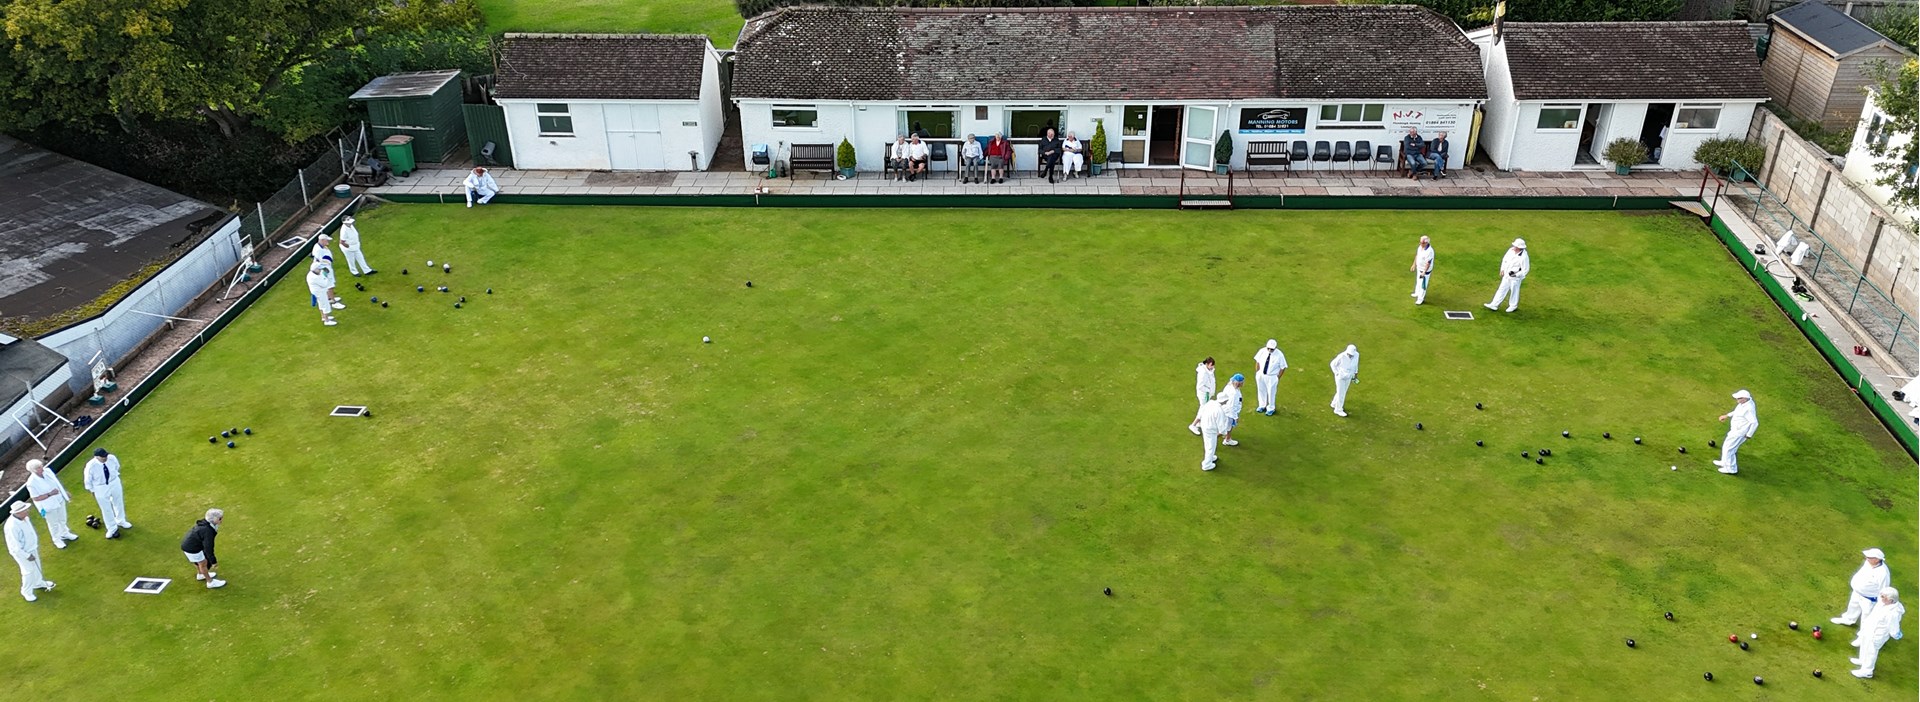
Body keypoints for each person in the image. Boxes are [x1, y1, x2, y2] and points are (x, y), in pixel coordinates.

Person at [23, 460, 78, 549]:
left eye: (41, 466)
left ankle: (65, 533)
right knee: (53, 524)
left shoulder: (47, 471)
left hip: (59, 500)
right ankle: (56, 540)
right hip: (48, 506)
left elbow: (57, 483)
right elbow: (35, 498)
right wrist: (50, 494)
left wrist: (64, 492)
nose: (42, 468)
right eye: (39, 468)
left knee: (62, 518)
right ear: (33, 470)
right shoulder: (31, 483)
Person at [1851, 587, 1905, 678]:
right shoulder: (1883, 602)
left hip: (1877, 634)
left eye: (1883, 596)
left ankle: (1867, 671)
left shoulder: (1893, 613)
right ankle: (1862, 660)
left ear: (1891, 600)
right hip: (1870, 628)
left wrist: (1896, 635)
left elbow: (1893, 628)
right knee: (1864, 644)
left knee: (1871, 651)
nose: (1880, 597)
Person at [5, 502, 51, 602]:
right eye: (25, 510)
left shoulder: (25, 518)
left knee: (37, 565)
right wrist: (26, 555)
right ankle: (26, 591)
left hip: (32, 548)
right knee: (28, 571)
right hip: (22, 553)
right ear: (18, 512)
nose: (28, 511)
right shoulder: (11, 526)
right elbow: (14, 546)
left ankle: (38, 583)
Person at [1834, 548, 1893, 626]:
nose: (1866, 558)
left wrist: (1881, 601)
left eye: (1869, 557)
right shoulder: (1868, 562)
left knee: (1867, 615)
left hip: (1869, 598)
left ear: (1877, 559)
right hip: (1857, 592)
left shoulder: (1883, 573)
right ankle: (1848, 620)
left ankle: (1864, 632)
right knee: (1853, 607)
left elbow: (1884, 588)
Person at [81, 448, 130, 539]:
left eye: (105, 455)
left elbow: (117, 466)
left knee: (118, 502)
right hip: (100, 487)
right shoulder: (90, 466)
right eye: (102, 457)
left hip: (114, 482)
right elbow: (88, 480)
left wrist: (114, 477)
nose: (105, 457)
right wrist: (92, 490)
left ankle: (121, 520)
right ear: (96, 457)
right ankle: (111, 528)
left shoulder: (111, 458)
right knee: (106, 508)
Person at [1712, 389, 1758, 474]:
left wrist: (1749, 434)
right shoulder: (1743, 404)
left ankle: (1731, 469)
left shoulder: (1749, 408)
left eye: (1739, 398)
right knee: (1727, 446)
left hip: (1739, 432)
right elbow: (1737, 412)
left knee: (1729, 449)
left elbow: (1754, 423)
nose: (1737, 400)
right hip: (1735, 430)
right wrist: (1727, 415)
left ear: (1744, 398)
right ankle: (1724, 462)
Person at [181, 508, 226, 589]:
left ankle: (200, 574)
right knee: (203, 564)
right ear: (214, 519)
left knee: (201, 562)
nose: (222, 520)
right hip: (192, 548)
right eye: (220, 518)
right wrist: (213, 561)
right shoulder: (207, 531)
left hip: (189, 546)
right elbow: (208, 547)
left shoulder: (206, 525)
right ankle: (210, 582)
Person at [1484, 238, 1530, 313]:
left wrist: (1516, 275)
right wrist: (1502, 269)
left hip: (1515, 278)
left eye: (1516, 246)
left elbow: (1525, 270)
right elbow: (1505, 260)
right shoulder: (1510, 250)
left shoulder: (1524, 257)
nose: (1514, 247)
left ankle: (1513, 306)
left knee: (1514, 291)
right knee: (1501, 289)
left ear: (1519, 247)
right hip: (1506, 275)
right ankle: (1494, 304)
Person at [1197, 394, 1230, 471]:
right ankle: (1207, 464)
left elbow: (1201, 412)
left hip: (1204, 425)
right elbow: (1221, 425)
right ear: (1224, 401)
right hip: (1210, 429)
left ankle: (1210, 457)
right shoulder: (1219, 411)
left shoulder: (1210, 403)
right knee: (1211, 447)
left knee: (1208, 444)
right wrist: (1224, 433)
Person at [1253, 340, 1287, 415]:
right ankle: (1262, 405)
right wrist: (1258, 372)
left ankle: (1271, 408)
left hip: (1272, 377)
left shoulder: (1279, 355)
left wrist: (1278, 377)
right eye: (1268, 348)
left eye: (1271, 349)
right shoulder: (1262, 351)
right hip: (1261, 375)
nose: (1269, 350)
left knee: (1271, 392)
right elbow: (1257, 361)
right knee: (1261, 390)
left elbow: (1283, 367)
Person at [1329, 344, 1359, 417]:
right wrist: (1337, 373)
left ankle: (1334, 403)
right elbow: (1332, 364)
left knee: (1342, 391)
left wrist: (1355, 375)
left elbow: (1356, 365)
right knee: (1341, 393)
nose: (1350, 356)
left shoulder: (1357, 355)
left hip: (1349, 376)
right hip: (1341, 377)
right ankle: (1338, 409)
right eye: (1349, 354)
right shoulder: (1341, 356)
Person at [1188, 357, 1217, 435]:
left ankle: (1199, 423)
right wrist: (1209, 391)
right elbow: (1200, 386)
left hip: (1207, 393)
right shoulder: (1203, 373)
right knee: (1203, 409)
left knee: (1204, 408)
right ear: (1208, 364)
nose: (1213, 367)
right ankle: (1193, 425)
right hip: (1204, 394)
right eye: (1212, 365)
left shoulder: (1209, 370)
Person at [306, 261, 339, 327]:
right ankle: (327, 321)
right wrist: (325, 275)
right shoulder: (314, 277)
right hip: (320, 292)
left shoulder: (313, 273)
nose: (320, 270)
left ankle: (323, 317)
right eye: (319, 269)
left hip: (318, 291)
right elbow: (324, 284)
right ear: (315, 269)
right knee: (325, 305)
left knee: (321, 304)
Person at [1219, 374, 1245, 446]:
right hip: (1229, 413)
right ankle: (1215, 438)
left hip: (1224, 410)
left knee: (1227, 427)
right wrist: (1235, 417)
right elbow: (1232, 406)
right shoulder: (1234, 394)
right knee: (1226, 428)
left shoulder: (1229, 386)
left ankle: (1227, 438)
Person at [1411, 235, 1435, 305]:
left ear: (1426, 243)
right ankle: (1417, 292)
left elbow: (1428, 263)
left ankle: (1420, 299)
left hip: (1424, 271)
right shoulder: (1420, 247)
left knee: (1423, 284)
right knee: (1418, 281)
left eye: (1421, 242)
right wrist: (1414, 265)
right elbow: (1417, 255)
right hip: (1419, 268)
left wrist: (1424, 272)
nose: (1420, 244)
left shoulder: (1429, 251)